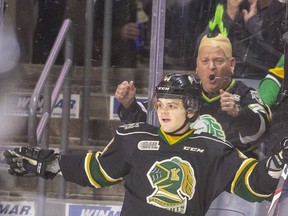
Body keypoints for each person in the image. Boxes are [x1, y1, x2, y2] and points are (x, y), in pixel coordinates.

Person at [3, 73, 288, 216]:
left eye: (172, 106)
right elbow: (96, 171)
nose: (163, 112)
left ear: (191, 109)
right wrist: (47, 162)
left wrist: (276, 162)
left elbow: (253, 185)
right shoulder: (136, 138)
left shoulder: (212, 148)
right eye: (160, 105)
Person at [115, 32, 270, 156]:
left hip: (229, 176)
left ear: (231, 65)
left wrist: (239, 114)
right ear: (196, 66)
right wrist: (129, 105)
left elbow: (262, 129)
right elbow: (147, 121)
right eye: (205, 61)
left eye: (218, 61)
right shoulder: (183, 90)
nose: (211, 67)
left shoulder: (244, 94)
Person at [220, 0, 285, 78]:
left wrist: (252, 23)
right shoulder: (233, 7)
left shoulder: (280, 12)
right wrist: (228, 16)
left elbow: (282, 50)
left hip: (263, 78)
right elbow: (204, 45)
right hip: (227, 77)